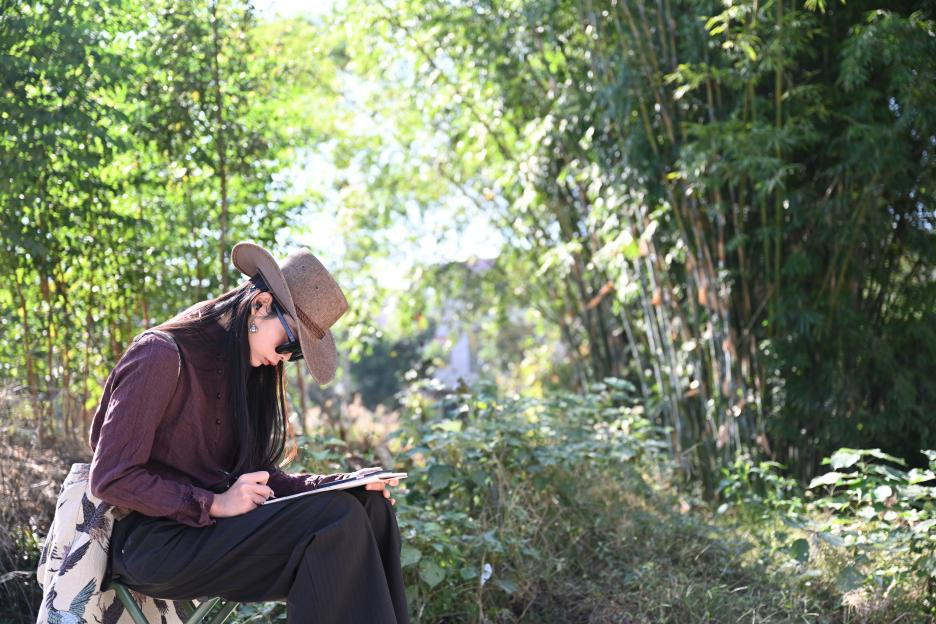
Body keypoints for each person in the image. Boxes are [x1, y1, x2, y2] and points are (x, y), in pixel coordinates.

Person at [89, 241, 409, 624]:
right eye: (291, 342)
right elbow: (111, 477)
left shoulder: (244, 369)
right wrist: (213, 503)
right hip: (154, 544)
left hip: (216, 533)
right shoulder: (160, 354)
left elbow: (260, 480)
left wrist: (343, 483)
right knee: (335, 520)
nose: (286, 357)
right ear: (260, 305)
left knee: (370, 508)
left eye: (297, 354)